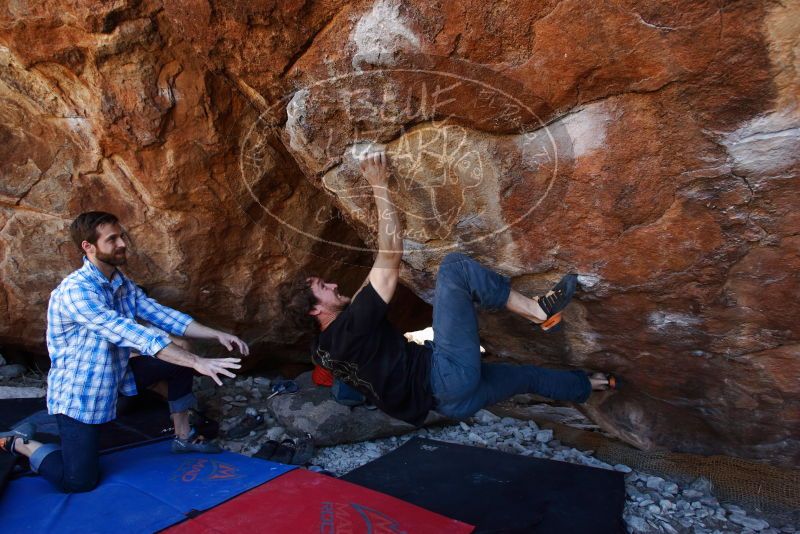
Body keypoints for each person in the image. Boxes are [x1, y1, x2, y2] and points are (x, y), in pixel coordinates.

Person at [279, 153, 614, 426]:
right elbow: (391, 253)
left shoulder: (322, 347)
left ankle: (594, 385)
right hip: (446, 376)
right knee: (455, 268)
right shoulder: (351, 328)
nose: (334, 284)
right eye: (324, 287)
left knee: (526, 376)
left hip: (449, 404)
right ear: (314, 310)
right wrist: (378, 184)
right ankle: (538, 311)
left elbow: (371, 281)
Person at [0, 211, 248, 493]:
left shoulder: (120, 283)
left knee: (178, 365)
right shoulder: (76, 291)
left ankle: (183, 437)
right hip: (81, 395)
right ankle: (20, 442)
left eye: (121, 236)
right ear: (88, 247)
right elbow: (130, 332)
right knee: (78, 481)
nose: (122, 244)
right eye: (112, 239)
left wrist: (215, 333)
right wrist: (198, 361)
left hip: (118, 377)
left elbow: (159, 314)